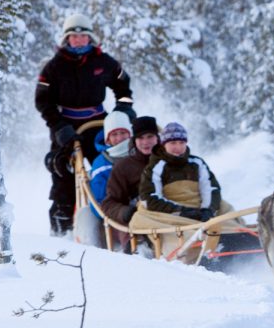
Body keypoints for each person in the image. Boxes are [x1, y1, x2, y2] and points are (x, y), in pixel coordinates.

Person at [35, 12, 135, 236]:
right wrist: (58, 126)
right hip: (67, 128)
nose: (79, 40)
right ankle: (62, 232)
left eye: (83, 36)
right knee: (63, 177)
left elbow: (123, 85)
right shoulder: (54, 67)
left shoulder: (103, 61)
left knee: (114, 166)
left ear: (90, 38)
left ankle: (122, 218)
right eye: (73, 36)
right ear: (66, 39)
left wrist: (124, 108)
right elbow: (43, 101)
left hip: (99, 124)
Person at [129, 122, 243, 262]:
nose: (178, 147)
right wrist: (182, 211)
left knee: (226, 215)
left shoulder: (196, 163)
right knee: (178, 232)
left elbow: (211, 188)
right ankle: (194, 252)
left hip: (200, 209)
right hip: (171, 215)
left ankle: (238, 240)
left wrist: (208, 209)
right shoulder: (155, 167)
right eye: (173, 143)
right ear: (164, 144)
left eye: (181, 142)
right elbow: (150, 198)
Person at [100, 116, 161, 249]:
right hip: (136, 220)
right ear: (134, 140)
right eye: (140, 138)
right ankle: (140, 253)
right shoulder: (124, 167)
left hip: (167, 214)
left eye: (150, 136)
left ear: (157, 138)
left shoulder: (168, 160)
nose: (146, 142)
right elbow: (108, 204)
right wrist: (126, 213)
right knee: (139, 245)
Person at [89, 111, 132, 218]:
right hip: (114, 212)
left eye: (123, 132)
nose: (120, 138)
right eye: (114, 134)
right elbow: (99, 200)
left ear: (130, 134)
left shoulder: (139, 153)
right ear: (107, 139)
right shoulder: (101, 164)